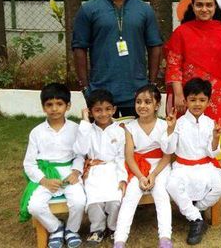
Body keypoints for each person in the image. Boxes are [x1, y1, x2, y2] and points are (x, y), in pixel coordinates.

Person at [72, 0, 163, 117]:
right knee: (103, 142)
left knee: (137, 142)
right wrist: (86, 88)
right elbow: (79, 48)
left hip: (137, 93)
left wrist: (152, 84)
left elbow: (155, 46)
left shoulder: (144, 10)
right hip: (101, 94)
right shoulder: (89, 9)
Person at [164, 0, 221, 144]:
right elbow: (174, 64)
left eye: (209, 5)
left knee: (214, 129)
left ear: (215, 7)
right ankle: (187, 159)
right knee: (187, 129)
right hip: (187, 92)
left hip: (217, 94)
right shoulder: (181, 32)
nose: (204, 9)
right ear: (193, 6)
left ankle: (215, 162)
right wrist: (178, 94)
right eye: (199, 5)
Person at [19, 83, 86, 248]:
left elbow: (81, 154)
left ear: (68, 106)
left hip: (69, 172)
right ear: (43, 107)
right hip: (46, 174)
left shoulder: (76, 129)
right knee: (34, 206)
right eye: (49, 104)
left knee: (79, 201)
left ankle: (71, 229)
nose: (54, 109)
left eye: (59, 104)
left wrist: (76, 172)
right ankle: (56, 228)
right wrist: (44, 181)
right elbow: (29, 163)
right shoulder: (37, 132)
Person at [163, 78, 221, 246]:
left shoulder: (210, 123)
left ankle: (196, 211)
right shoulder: (178, 123)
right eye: (192, 100)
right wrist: (170, 129)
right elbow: (169, 150)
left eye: (202, 100)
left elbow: (212, 151)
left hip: (205, 166)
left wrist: (215, 138)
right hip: (183, 166)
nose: (197, 104)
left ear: (208, 101)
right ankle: (197, 220)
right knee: (172, 185)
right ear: (185, 101)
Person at [114, 85, 173, 248]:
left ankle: (165, 237)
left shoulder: (163, 125)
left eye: (148, 102)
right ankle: (119, 240)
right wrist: (140, 177)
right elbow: (129, 156)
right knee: (130, 195)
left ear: (157, 105)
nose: (142, 106)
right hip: (137, 167)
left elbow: (167, 155)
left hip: (160, 167)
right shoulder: (130, 127)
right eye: (138, 102)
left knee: (161, 193)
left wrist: (153, 175)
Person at [73, 89, 127, 244]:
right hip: (94, 170)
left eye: (108, 109)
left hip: (113, 169)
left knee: (115, 198)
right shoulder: (86, 129)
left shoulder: (119, 130)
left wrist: (123, 178)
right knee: (93, 199)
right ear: (90, 112)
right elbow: (81, 150)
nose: (103, 114)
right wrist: (84, 122)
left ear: (114, 109)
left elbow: (121, 157)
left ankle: (113, 227)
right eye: (98, 110)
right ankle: (97, 228)